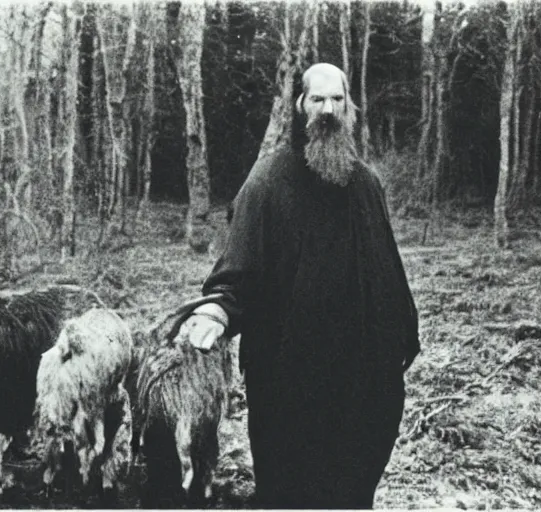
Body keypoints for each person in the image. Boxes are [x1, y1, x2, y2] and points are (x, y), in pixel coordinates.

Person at [180, 62, 420, 509]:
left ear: (350, 107)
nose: (327, 109)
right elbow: (240, 266)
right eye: (317, 99)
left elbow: (388, 267)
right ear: (299, 107)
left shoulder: (367, 184)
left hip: (360, 380)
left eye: (336, 100)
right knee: (291, 489)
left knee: (351, 486)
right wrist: (217, 310)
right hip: (291, 378)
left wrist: (403, 331)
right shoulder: (267, 182)